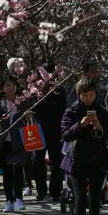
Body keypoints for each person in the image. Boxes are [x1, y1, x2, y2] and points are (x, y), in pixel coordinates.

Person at [61, 77, 108, 215]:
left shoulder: (101, 110)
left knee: (94, 198)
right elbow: (65, 134)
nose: (88, 98)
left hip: (97, 159)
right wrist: (81, 124)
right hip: (77, 161)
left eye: (91, 95)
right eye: (85, 95)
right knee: (80, 198)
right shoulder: (71, 111)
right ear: (79, 94)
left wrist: (99, 126)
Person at [0, 74, 31, 213]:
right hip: (3, 142)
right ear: (2, 89)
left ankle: (18, 199)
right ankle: (9, 201)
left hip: (19, 141)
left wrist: (28, 116)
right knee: (7, 173)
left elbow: (30, 118)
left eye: (12, 84)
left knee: (17, 170)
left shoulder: (22, 101)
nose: (10, 87)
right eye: (6, 85)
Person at [33, 70, 67, 201]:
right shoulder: (34, 91)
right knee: (37, 162)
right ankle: (41, 190)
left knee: (56, 161)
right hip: (37, 130)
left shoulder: (59, 90)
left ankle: (55, 191)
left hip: (55, 130)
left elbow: (63, 110)